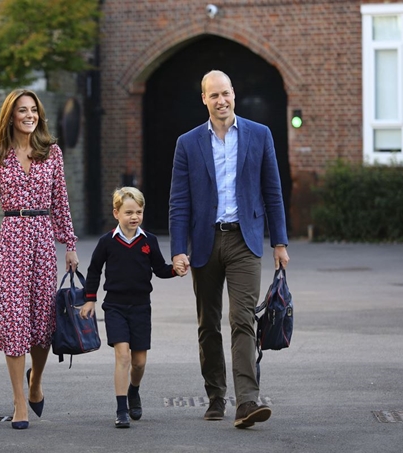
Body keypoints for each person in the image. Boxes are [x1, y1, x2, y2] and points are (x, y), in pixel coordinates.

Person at [168, 70, 290, 429]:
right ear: (203, 100)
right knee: (208, 325)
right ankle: (216, 395)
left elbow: (273, 191)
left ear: (233, 94)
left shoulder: (259, 134)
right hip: (204, 242)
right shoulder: (187, 143)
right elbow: (179, 202)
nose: (221, 101)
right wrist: (178, 249)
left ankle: (247, 402)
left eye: (226, 94)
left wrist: (279, 242)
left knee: (243, 320)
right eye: (213, 96)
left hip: (245, 240)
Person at [0, 89, 79, 430]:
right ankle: (19, 402)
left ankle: (35, 382)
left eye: (33, 110)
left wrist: (69, 244)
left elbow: (61, 201)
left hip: (44, 237)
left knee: (43, 324)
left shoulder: (52, 153)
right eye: (22, 111)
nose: (29, 115)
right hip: (12, 238)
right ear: (10, 117)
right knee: (15, 322)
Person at [81, 187, 178, 428]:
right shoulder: (106, 242)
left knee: (139, 362)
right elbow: (93, 270)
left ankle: (134, 390)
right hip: (114, 306)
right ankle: (121, 408)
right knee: (122, 355)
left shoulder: (149, 241)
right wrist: (90, 298)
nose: (134, 217)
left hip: (141, 307)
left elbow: (160, 269)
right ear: (116, 213)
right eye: (128, 212)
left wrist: (176, 269)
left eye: (139, 212)